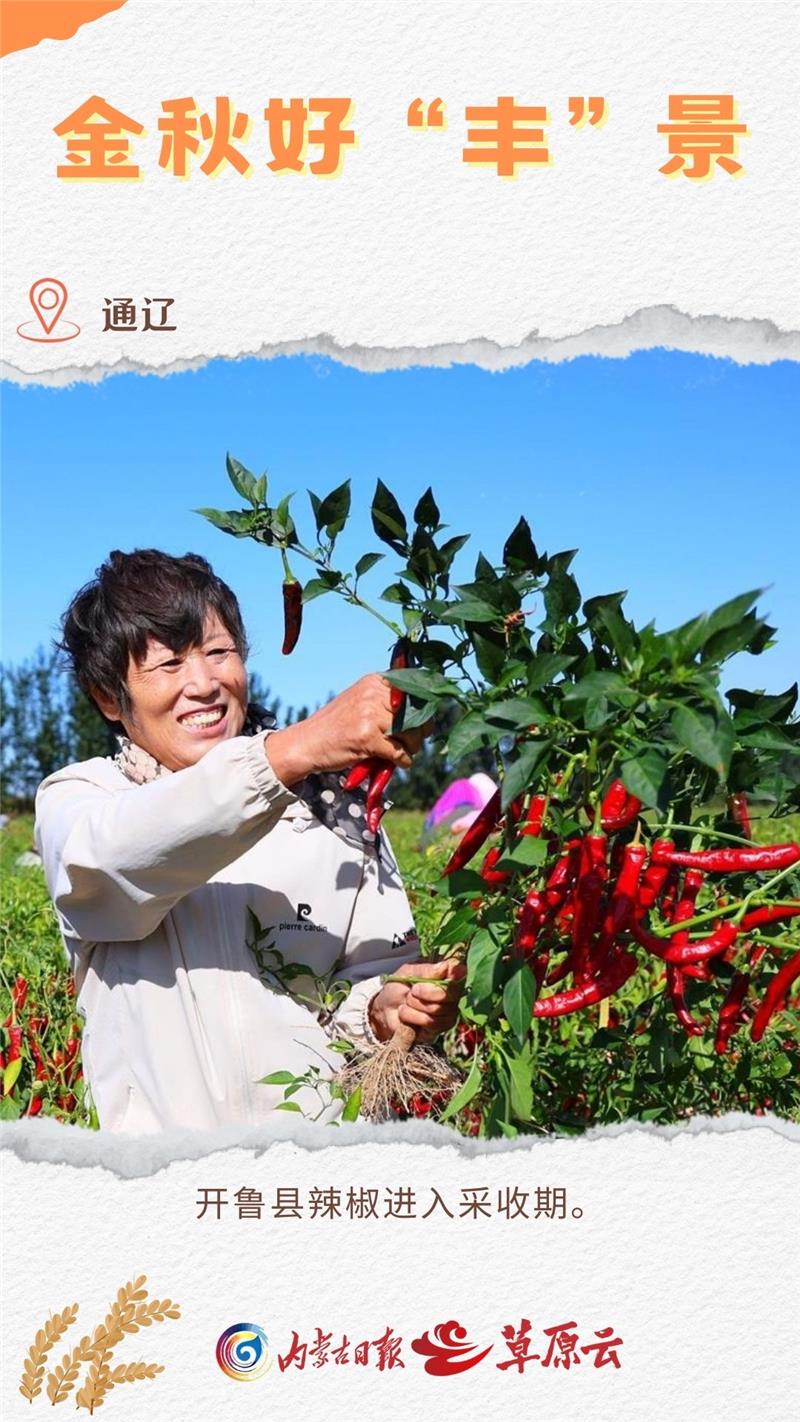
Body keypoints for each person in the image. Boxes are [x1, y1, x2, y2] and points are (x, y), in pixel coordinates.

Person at [35, 549, 463, 1133]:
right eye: (169, 664)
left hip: (316, 1161)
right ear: (109, 697)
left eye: (219, 652)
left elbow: (372, 976)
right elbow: (109, 864)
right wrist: (297, 749)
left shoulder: (332, 806)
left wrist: (386, 1009)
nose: (204, 684)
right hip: (163, 1168)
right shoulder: (84, 797)